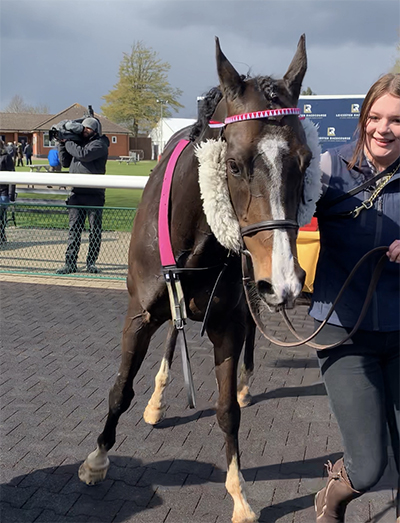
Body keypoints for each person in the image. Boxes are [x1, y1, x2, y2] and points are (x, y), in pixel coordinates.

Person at [311, 73, 400, 522]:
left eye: (397, 120)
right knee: (368, 467)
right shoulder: (326, 170)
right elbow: (272, 212)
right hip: (344, 333)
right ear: (363, 118)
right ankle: (333, 496)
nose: (384, 128)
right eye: (375, 117)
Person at [56, 117, 109, 274]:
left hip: (94, 194)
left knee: (94, 230)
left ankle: (91, 263)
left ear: (95, 131)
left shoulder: (100, 144)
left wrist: (67, 142)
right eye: (83, 128)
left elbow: (83, 154)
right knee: (74, 229)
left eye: (88, 129)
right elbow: (65, 162)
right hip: (77, 193)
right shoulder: (76, 142)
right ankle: (70, 263)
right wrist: (60, 143)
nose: (84, 131)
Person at [0, 139, 15, 245]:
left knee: (1, 216)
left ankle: (1, 236)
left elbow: (12, 176)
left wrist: (11, 194)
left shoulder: (6, 157)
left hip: (3, 192)